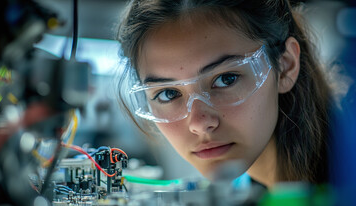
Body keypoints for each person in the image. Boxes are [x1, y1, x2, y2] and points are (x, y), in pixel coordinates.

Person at [115, 0, 331, 188]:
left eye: (226, 79)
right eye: (168, 93)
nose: (200, 124)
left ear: (285, 67)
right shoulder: (246, 190)